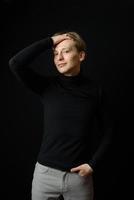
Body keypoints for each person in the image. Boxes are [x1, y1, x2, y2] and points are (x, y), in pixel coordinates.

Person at [9, 31, 112, 200]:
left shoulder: (96, 92)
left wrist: (93, 165)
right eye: (56, 53)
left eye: (66, 51)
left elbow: (110, 131)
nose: (59, 58)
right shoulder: (47, 87)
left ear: (81, 55)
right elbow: (15, 63)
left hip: (79, 179)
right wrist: (51, 41)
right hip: (45, 175)